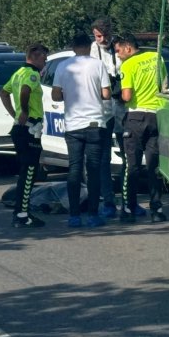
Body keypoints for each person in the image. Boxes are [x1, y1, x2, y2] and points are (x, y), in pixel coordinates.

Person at [53, 32, 111, 228]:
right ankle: (94, 215)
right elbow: (106, 93)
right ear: (89, 46)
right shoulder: (98, 65)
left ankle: (74, 215)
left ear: (73, 46)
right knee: (93, 170)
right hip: (95, 124)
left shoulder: (63, 66)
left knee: (74, 169)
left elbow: (55, 95)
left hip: (73, 125)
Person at [114, 33, 166, 222]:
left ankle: (128, 209)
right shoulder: (156, 57)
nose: (118, 55)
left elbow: (127, 96)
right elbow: (163, 84)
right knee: (154, 166)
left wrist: (117, 95)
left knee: (132, 166)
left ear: (128, 48)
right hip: (155, 115)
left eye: (118, 51)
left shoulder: (128, 65)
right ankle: (157, 210)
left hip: (135, 117)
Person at [0, 42, 49, 228]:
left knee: (25, 172)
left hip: (20, 129)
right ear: (34, 56)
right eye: (43, 57)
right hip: (29, 129)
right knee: (29, 172)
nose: (45, 61)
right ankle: (22, 214)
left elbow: (3, 93)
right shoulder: (32, 74)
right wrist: (24, 112)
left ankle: (21, 211)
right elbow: (26, 91)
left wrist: (14, 114)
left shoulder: (18, 73)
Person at [90, 18, 124, 218]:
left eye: (105, 35)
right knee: (103, 158)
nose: (102, 39)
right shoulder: (92, 51)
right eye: (98, 36)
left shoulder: (118, 47)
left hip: (121, 107)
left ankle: (128, 200)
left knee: (127, 156)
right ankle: (108, 200)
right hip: (102, 111)